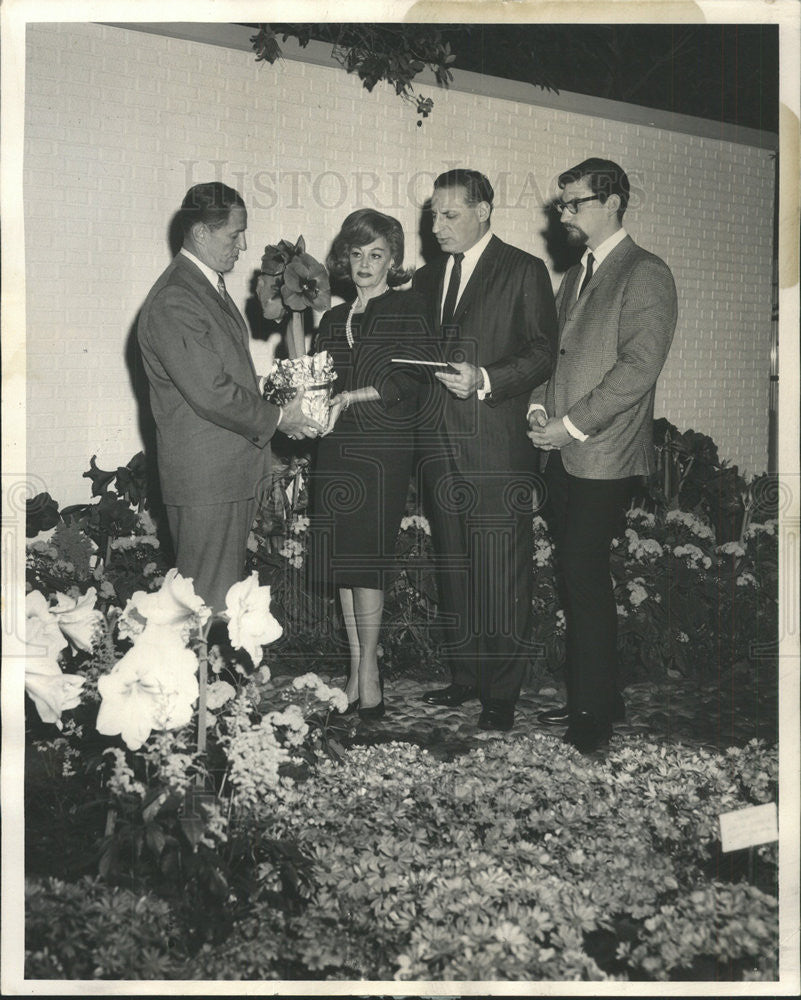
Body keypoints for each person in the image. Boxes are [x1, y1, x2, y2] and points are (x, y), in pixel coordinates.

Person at [528, 157, 678, 753]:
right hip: (563, 450)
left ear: (612, 201)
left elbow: (638, 369)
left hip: (604, 453)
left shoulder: (645, 272)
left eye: (575, 202)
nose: (564, 213)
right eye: (561, 203)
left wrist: (570, 424)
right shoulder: (578, 273)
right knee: (577, 574)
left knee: (583, 575)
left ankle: (591, 714)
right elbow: (555, 353)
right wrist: (540, 409)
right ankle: (603, 694)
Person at [412, 168, 557, 732]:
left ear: (484, 212)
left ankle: (501, 694)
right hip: (439, 446)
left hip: (496, 448)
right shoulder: (426, 280)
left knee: (500, 570)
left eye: (449, 215)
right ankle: (467, 676)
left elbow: (544, 352)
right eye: (433, 214)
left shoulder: (523, 270)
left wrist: (487, 378)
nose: (437, 225)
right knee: (455, 564)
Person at [137, 182, 321, 616]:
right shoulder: (176, 298)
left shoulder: (204, 288)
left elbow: (223, 374)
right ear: (201, 233)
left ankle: (217, 684)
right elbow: (211, 392)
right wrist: (279, 417)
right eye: (234, 234)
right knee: (207, 605)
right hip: (208, 482)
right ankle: (205, 685)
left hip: (223, 476)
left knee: (217, 602)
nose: (243, 245)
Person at [313, 209, 434, 721]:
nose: (365, 263)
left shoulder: (408, 310)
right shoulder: (329, 318)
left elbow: (412, 383)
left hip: (382, 448)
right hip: (334, 449)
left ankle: (370, 673)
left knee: (368, 558)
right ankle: (357, 665)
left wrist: (351, 397)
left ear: (393, 261)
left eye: (376, 254)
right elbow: (317, 383)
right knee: (344, 561)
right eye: (357, 254)